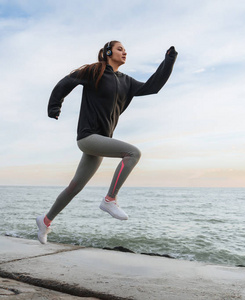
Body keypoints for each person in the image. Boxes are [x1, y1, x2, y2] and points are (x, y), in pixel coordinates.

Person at [36, 41, 177, 244]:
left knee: (75, 187)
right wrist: (54, 107)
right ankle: (110, 199)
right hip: (87, 137)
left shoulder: (127, 81)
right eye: (120, 49)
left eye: (125, 50)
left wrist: (169, 60)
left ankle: (45, 220)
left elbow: (152, 87)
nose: (124, 52)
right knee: (133, 153)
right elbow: (66, 83)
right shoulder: (95, 71)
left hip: (101, 141)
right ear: (108, 52)